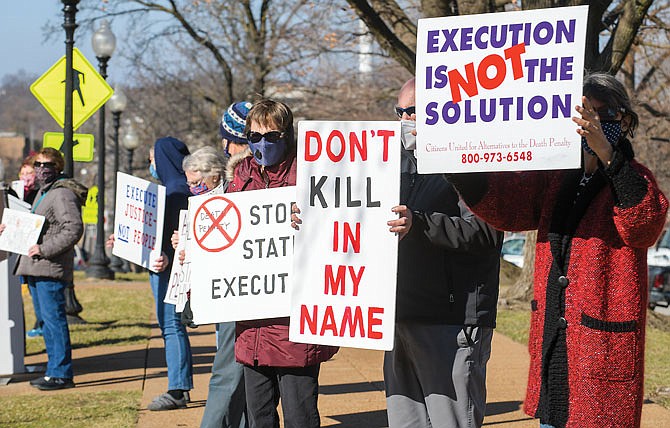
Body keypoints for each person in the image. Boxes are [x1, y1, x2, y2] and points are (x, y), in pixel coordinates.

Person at [447, 73, 668, 428]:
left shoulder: (634, 178)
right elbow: (506, 206)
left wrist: (609, 157)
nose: (592, 121)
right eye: (584, 112)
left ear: (623, 120)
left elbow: (643, 226)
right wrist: (453, 161)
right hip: (556, 347)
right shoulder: (556, 176)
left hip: (602, 349)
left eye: (603, 113)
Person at [384, 78, 503, 428]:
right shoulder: (397, 165)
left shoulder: (472, 160)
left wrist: (418, 225)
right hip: (398, 317)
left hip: (451, 321)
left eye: (414, 111)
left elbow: (485, 231)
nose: (405, 120)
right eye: (400, 112)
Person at [229, 99, 338, 428]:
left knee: (299, 417)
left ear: (288, 135)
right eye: (254, 136)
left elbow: (339, 228)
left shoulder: (312, 175)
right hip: (252, 327)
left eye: (272, 136)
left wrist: (310, 220)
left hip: (296, 325)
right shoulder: (240, 177)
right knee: (259, 418)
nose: (263, 144)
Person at [2, 147, 87, 390]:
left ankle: (61, 373)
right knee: (46, 324)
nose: (41, 169)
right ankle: (53, 371)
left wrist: (45, 249)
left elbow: (73, 228)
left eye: (47, 164)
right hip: (37, 267)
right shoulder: (44, 192)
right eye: (38, 164)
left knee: (54, 321)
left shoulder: (61, 194)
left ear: (57, 167)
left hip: (50, 266)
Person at [196, 101, 252, 428]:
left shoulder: (242, 180)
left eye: (226, 139)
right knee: (245, 375)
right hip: (240, 288)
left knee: (227, 370)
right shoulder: (237, 180)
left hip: (239, 291)